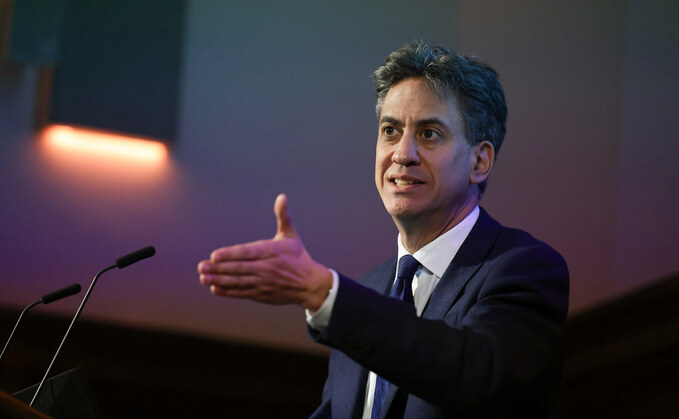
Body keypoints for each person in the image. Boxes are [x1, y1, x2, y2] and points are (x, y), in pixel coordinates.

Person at [198, 40, 569, 418]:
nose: (402, 154)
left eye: (429, 133)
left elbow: (472, 373)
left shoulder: (523, 269)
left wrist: (326, 294)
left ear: (479, 161)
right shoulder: (369, 291)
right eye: (390, 130)